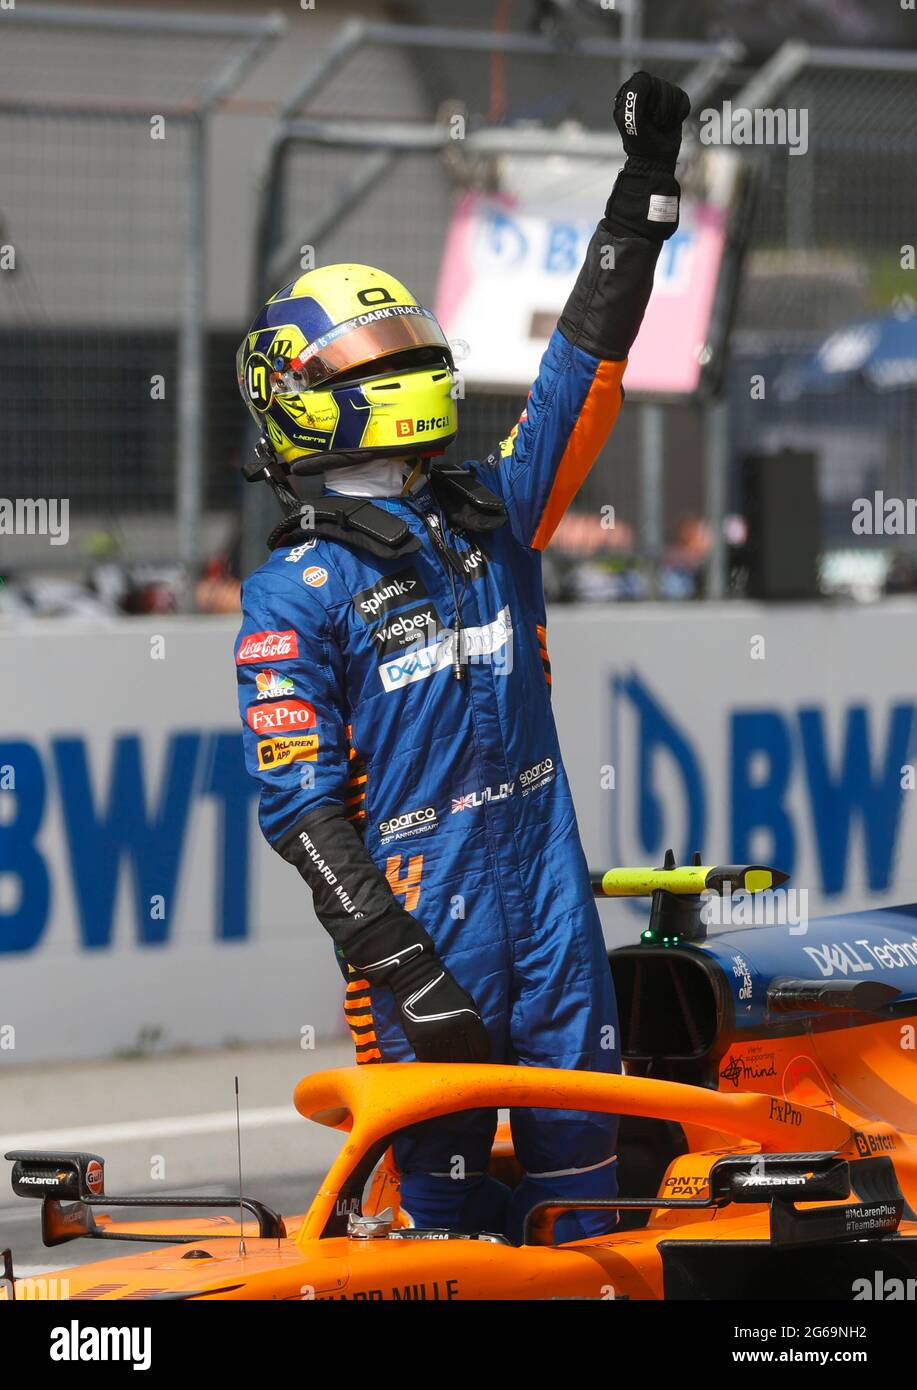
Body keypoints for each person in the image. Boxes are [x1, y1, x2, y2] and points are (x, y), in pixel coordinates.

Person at [234, 71, 689, 1241]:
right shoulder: (293, 589)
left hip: (549, 911)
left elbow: (576, 378)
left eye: (408, 345)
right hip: (421, 937)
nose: (409, 368)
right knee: (432, 1229)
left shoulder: (489, 510)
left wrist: (638, 198)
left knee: (594, 1208)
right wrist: (403, 962)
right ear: (312, 397)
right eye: (376, 356)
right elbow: (298, 808)